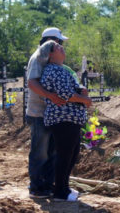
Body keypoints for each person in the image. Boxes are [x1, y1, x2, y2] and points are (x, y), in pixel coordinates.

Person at [26, 27, 78, 199]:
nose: (61, 45)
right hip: (38, 112)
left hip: (49, 113)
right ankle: (36, 187)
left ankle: (47, 184)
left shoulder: (48, 60)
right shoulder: (37, 58)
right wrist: (51, 96)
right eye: (59, 42)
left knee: (51, 152)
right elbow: (32, 83)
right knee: (40, 152)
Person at [40, 40, 92, 201]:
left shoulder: (61, 70)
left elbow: (69, 90)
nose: (61, 48)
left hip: (70, 118)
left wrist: (80, 90)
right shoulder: (54, 70)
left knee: (72, 153)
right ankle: (60, 192)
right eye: (57, 47)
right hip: (63, 118)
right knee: (64, 154)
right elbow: (64, 94)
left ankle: (64, 187)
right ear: (50, 54)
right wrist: (84, 100)